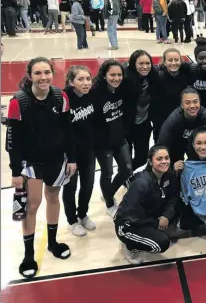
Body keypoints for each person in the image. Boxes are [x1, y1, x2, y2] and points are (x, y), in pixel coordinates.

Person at [6, 57, 76, 278]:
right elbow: (12, 140)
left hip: (56, 159)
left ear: (52, 74)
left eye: (47, 72)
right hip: (31, 162)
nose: (43, 77)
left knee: (53, 198)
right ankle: (28, 254)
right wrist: (15, 171)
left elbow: (69, 129)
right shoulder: (19, 102)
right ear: (29, 76)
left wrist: (71, 158)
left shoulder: (60, 96)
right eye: (38, 73)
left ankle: (53, 243)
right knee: (32, 205)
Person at [114, 145, 178, 264]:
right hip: (128, 224)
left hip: (150, 215)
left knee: (177, 214)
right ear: (150, 161)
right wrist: (155, 223)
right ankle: (130, 245)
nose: (164, 162)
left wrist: (166, 216)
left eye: (166, 158)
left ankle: (145, 234)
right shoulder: (141, 183)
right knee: (161, 244)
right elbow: (130, 214)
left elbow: (174, 197)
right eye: (159, 159)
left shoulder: (169, 175)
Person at [91, 60, 133, 217]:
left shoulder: (122, 89)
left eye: (119, 74)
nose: (116, 78)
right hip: (103, 143)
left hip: (119, 138)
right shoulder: (95, 92)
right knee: (107, 172)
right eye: (112, 75)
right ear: (104, 75)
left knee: (127, 169)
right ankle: (109, 203)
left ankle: (107, 193)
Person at [62, 66, 97, 237]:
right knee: (71, 188)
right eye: (80, 79)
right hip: (69, 154)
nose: (85, 83)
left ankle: (82, 214)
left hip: (88, 150)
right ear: (71, 82)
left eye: (88, 79)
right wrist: (70, 157)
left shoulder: (91, 94)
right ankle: (71, 220)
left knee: (88, 184)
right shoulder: (64, 98)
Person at [158, 87, 206, 165]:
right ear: (182, 105)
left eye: (195, 102)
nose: (192, 106)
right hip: (176, 146)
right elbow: (161, 146)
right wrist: (171, 167)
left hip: (198, 147)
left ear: (200, 102)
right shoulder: (173, 121)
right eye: (187, 103)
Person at [123, 50, 156, 170]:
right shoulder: (125, 79)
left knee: (142, 158)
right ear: (133, 64)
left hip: (143, 125)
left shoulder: (154, 76)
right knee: (125, 160)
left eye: (148, 63)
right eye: (141, 63)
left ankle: (131, 175)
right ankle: (125, 178)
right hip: (126, 126)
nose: (145, 66)